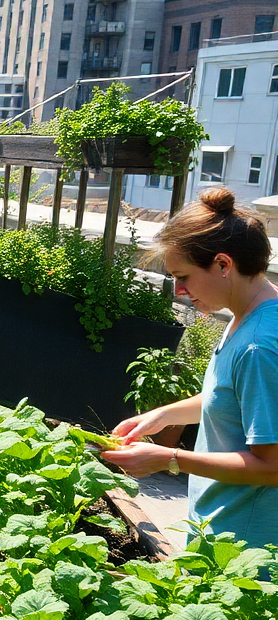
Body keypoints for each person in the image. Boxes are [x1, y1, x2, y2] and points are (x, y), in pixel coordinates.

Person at [101, 187, 278, 548]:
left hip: (247, 548)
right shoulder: (249, 314)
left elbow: (272, 467)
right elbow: (230, 396)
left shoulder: (259, 345)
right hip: (224, 527)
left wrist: (170, 459)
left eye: (184, 276)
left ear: (223, 264)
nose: (180, 290)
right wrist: (163, 415)